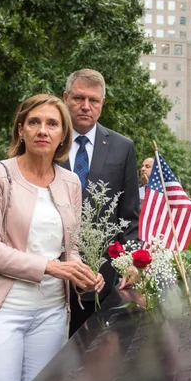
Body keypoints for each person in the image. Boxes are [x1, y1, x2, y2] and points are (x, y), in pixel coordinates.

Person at [0, 94, 103, 381]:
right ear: (21, 130)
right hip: (1, 309)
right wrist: (50, 267)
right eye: (34, 122)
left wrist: (83, 272)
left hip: (52, 312)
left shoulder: (71, 182)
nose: (43, 129)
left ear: (62, 135)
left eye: (52, 123)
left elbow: (68, 248)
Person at [62, 69, 140, 336]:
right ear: (65, 98)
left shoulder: (122, 147)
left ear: (102, 103)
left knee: (93, 354)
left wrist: (131, 263)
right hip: (50, 270)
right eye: (78, 98)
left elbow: (129, 215)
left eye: (93, 100)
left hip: (101, 276)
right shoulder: (48, 139)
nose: (86, 106)